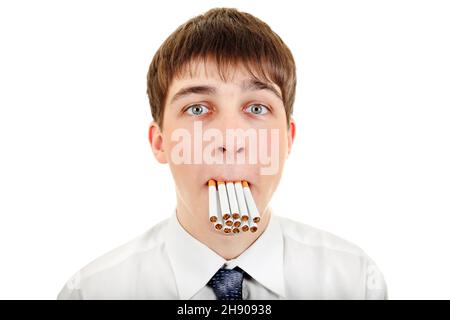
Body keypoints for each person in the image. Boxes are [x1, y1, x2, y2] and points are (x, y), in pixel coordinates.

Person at [57, 7, 387, 300]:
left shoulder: (355, 283)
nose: (229, 139)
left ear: (288, 140)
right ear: (160, 143)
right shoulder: (91, 292)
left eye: (257, 107)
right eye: (198, 108)